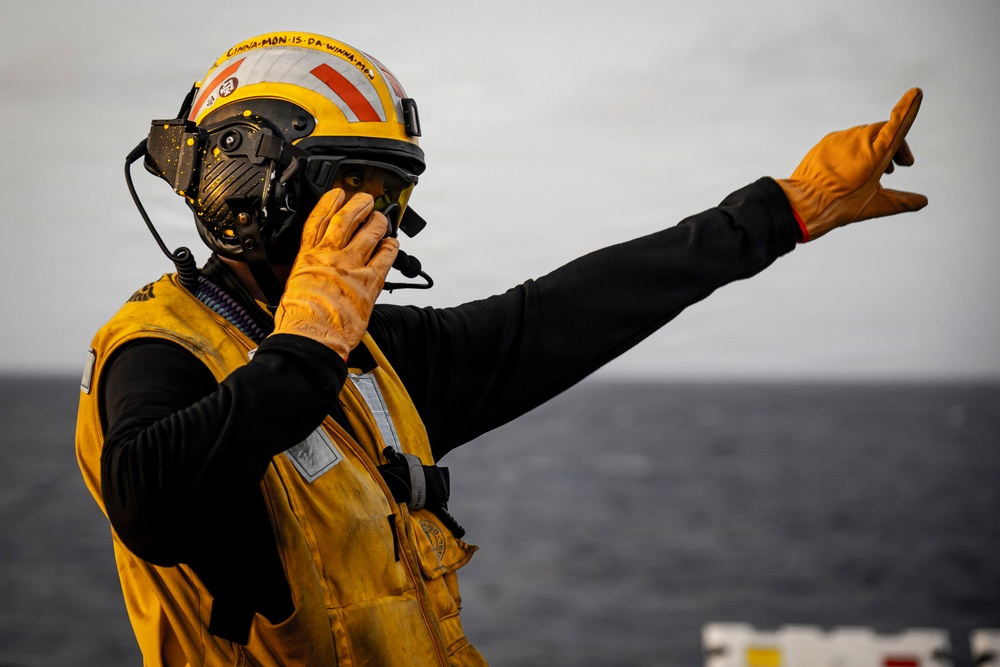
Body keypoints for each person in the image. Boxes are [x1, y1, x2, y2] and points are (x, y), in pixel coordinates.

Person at [75, 30, 927, 666]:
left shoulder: (370, 357)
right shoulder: (158, 351)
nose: (376, 216)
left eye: (390, 190)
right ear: (250, 181)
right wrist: (308, 342)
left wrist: (783, 211)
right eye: (355, 186)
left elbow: (559, 316)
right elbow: (150, 500)